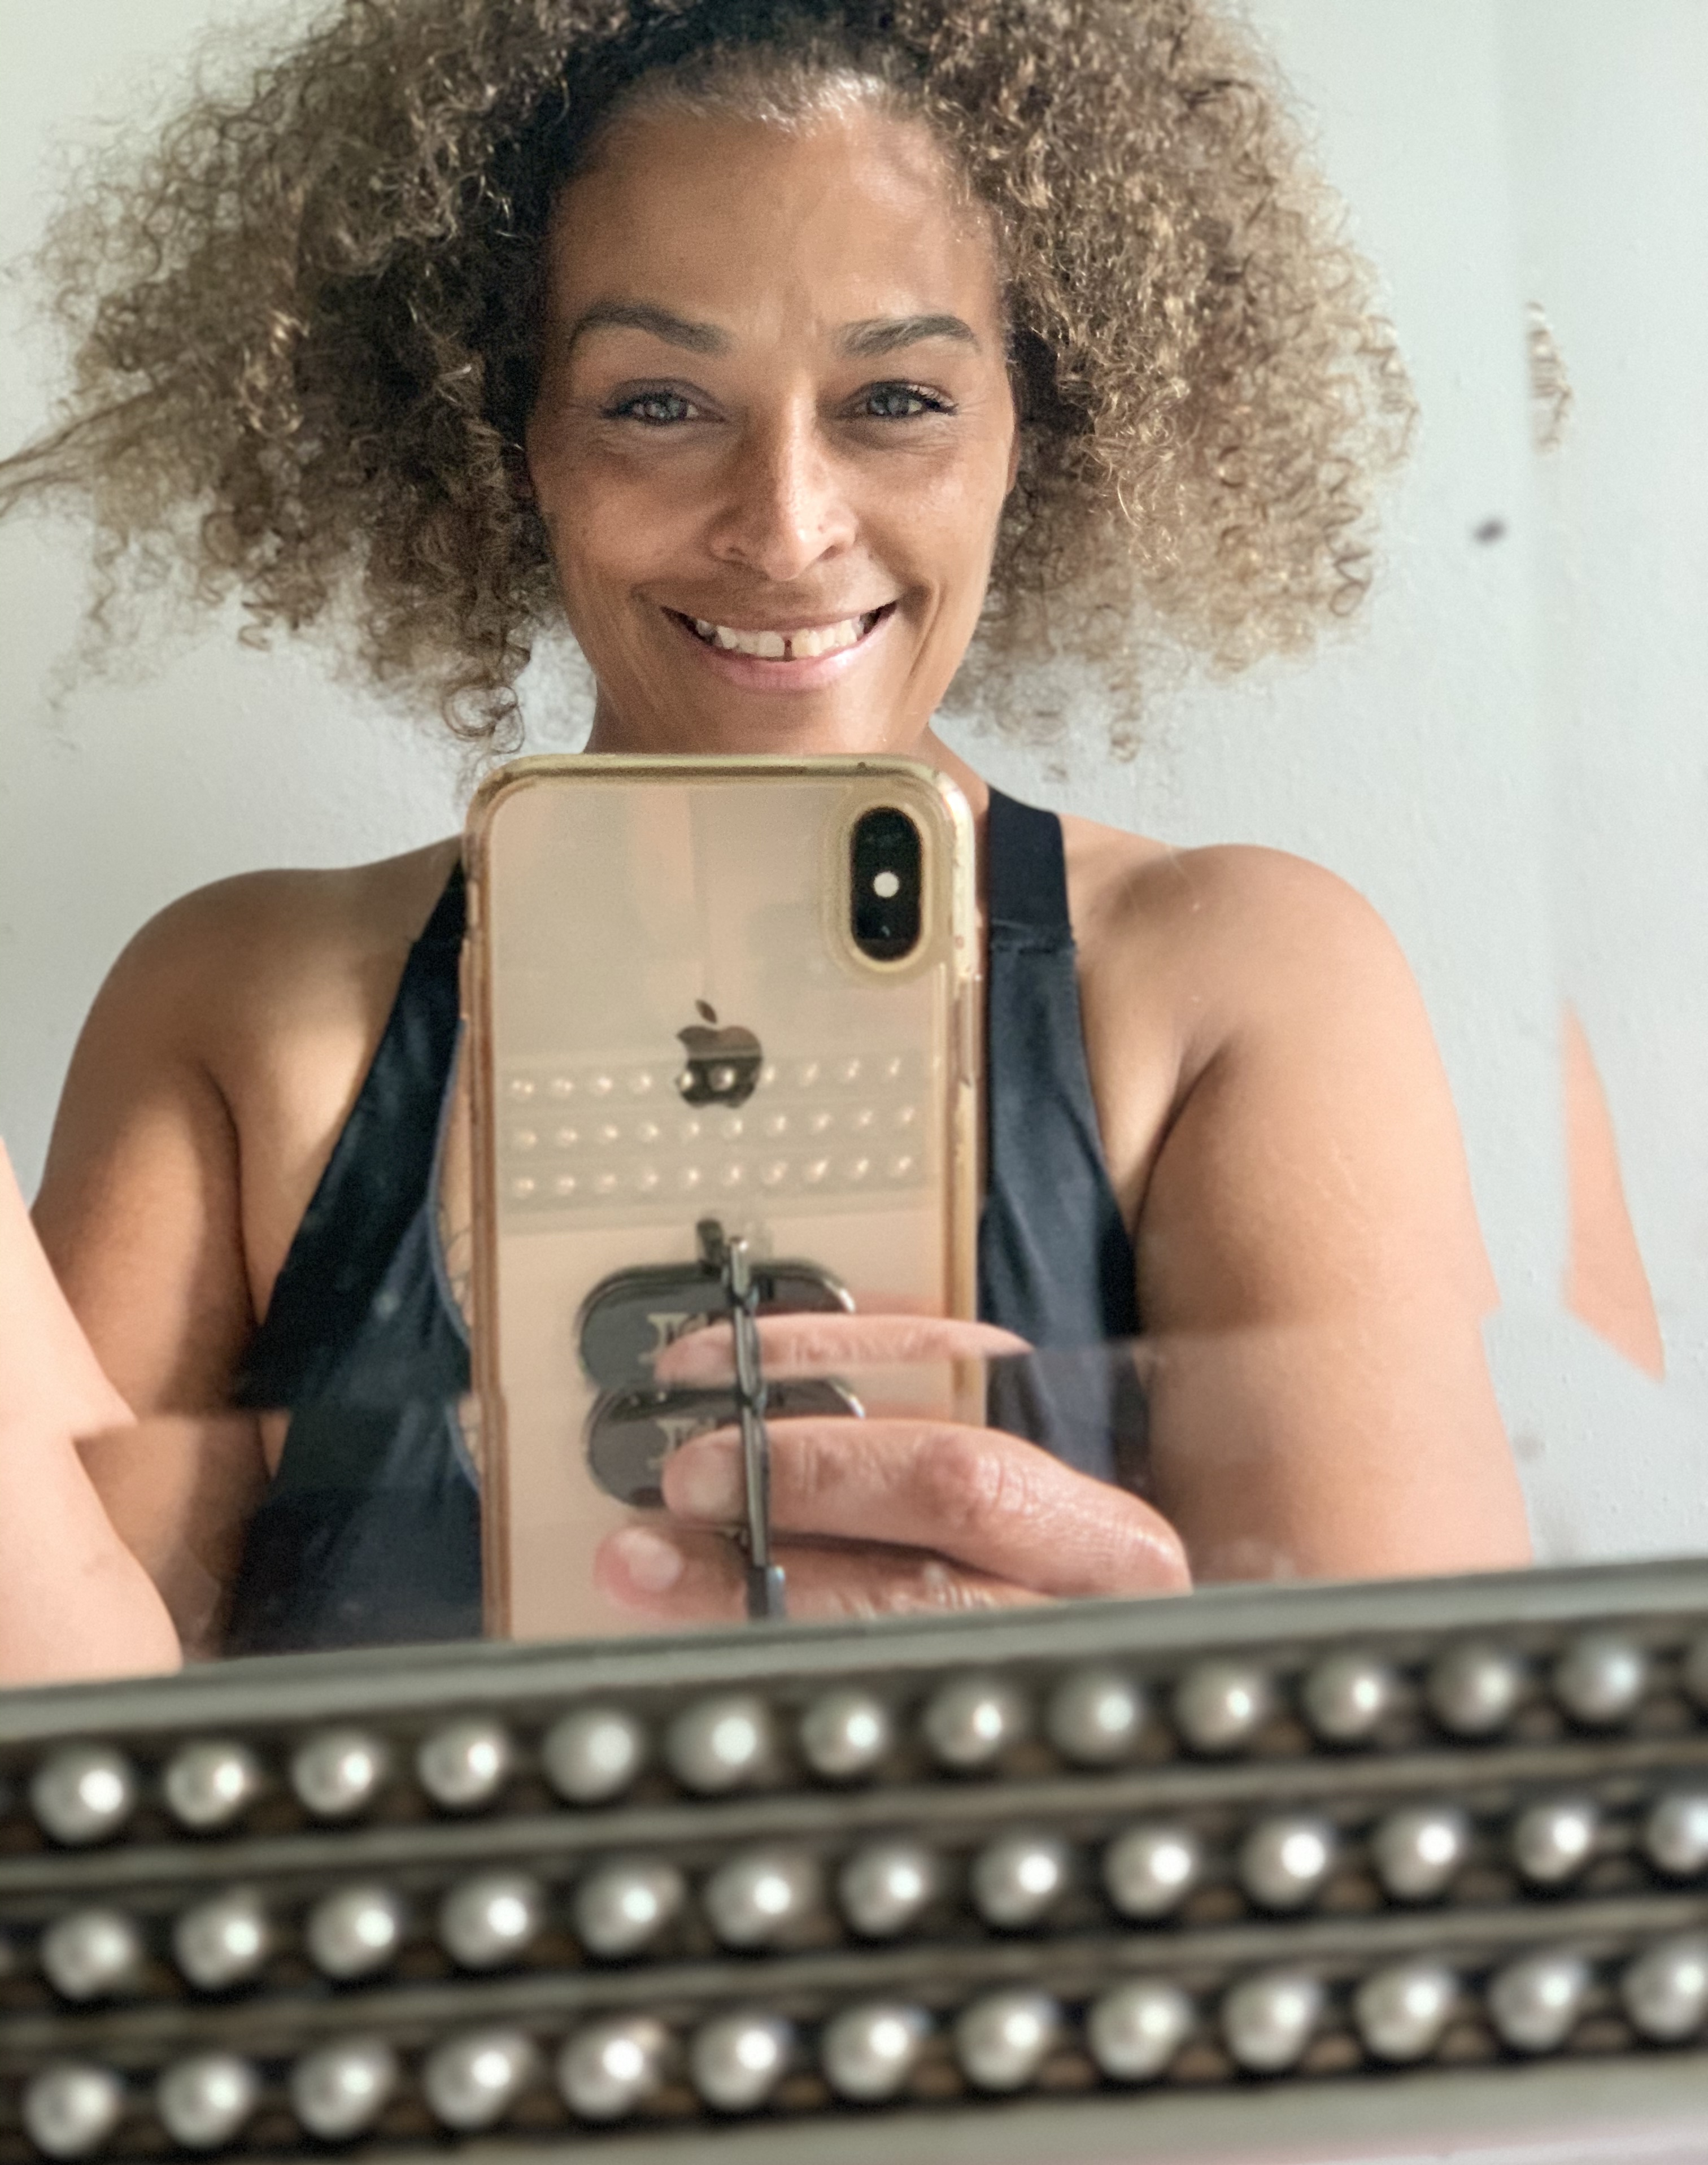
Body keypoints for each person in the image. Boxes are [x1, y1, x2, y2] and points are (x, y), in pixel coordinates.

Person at [6, 0, 1531, 1666]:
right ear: (516, 441)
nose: (787, 529)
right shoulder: (240, 1008)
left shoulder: (1238, 985)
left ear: (1032, 429)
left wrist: (1126, 1697)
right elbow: (69, 1762)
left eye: (899, 397)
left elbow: (1427, 1774)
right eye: (659, 404)